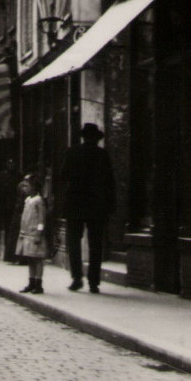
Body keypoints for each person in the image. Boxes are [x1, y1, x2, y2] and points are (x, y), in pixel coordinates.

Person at [60, 123, 116, 293]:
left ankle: (77, 278)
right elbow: (110, 182)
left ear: (83, 137)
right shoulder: (102, 155)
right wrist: (110, 205)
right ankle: (94, 281)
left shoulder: (72, 152)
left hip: (76, 203)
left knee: (74, 242)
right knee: (96, 244)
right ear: (96, 138)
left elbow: (63, 175)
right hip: (96, 205)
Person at [16, 174, 49, 294]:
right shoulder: (28, 200)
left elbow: (41, 219)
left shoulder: (38, 201)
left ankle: (38, 283)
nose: (24, 188)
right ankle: (31, 282)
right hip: (27, 233)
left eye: (27, 186)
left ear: (34, 187)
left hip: (35, 234)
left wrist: (39, 233)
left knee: (38, 259)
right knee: (30, 259)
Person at [0, 158, 21, 263]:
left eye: (12, 164)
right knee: (7, 229)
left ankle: (13, 253)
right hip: (5, 206)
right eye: (9, 163)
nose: (11, 165)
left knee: (14, 231)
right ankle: (8, 252)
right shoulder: (3, 175)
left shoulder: (18, 175)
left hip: (14, 206)